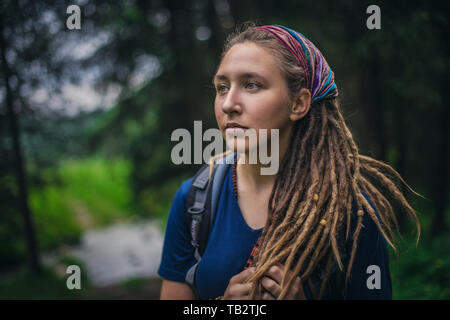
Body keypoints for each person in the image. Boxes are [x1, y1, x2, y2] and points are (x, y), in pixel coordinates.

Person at [158, 23, 421, 300]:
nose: (228, 104)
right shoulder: (194, 200)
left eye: (251, 85)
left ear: (298, 103)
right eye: (222, 87)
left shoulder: (349, 213)